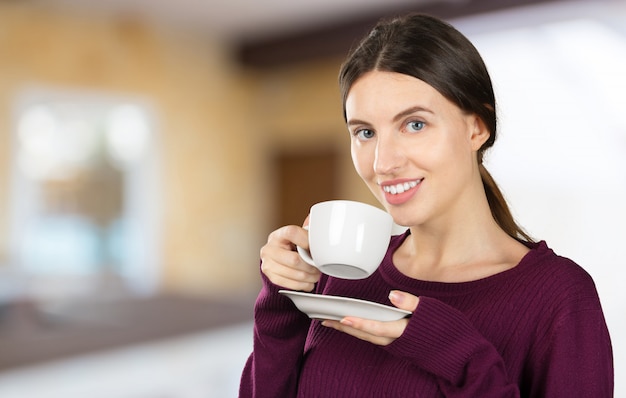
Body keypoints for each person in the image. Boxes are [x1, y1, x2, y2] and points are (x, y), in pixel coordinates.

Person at [239, 13, 613, 397]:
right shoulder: (344, 277)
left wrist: (455, 352)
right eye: (365, 132)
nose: (383, 162)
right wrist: (281, 305)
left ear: (477, 127)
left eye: (414, 124)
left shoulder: (559, 297)